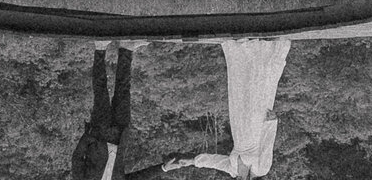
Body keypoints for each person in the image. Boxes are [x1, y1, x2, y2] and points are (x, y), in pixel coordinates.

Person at [160, 39, 291, 178]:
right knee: (257, 91)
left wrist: (192, 161)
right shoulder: (261, 169)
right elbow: (267, 145)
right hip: (256, 128)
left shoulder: (233, 170)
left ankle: (243, 51)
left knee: (240, 91)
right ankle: (262, 50)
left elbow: (214, 162)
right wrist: (272, 122)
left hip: (239, 127)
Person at [72, 40, 149, 180]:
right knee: (124, 90)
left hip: (99, 132)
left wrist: (89, 138)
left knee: (101, 90)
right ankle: (126, 49)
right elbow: (139, 177)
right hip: (120, 134)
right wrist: (164, 168)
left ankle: (100, 48)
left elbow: (77, 159)